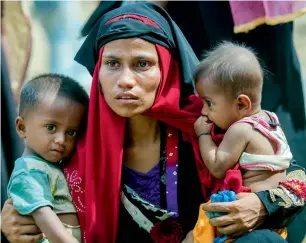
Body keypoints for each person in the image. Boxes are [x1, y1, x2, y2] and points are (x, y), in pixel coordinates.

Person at [1, 3, 306, 243]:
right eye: (112, 64)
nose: (125, 81)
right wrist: (9, 224)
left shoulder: (208, 127)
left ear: (168, 68)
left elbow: (294, 178)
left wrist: (263, 204)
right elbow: (27, 191)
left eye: (142, 64)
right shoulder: (72, 143)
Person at [194, 42, 292, 192]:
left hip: (249, 205)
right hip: (276, 203)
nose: (203, 111)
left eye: (209, 103)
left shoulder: (241, 130)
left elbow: (217, 167)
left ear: (241, 104)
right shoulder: (271, 118)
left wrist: (203, 134)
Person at [7, 74, 89, 243]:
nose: (61, 139)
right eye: (51, 127)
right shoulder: (29, 170)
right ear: (22, 128)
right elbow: (43, 215)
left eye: (71, 132)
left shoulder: (52, 166)